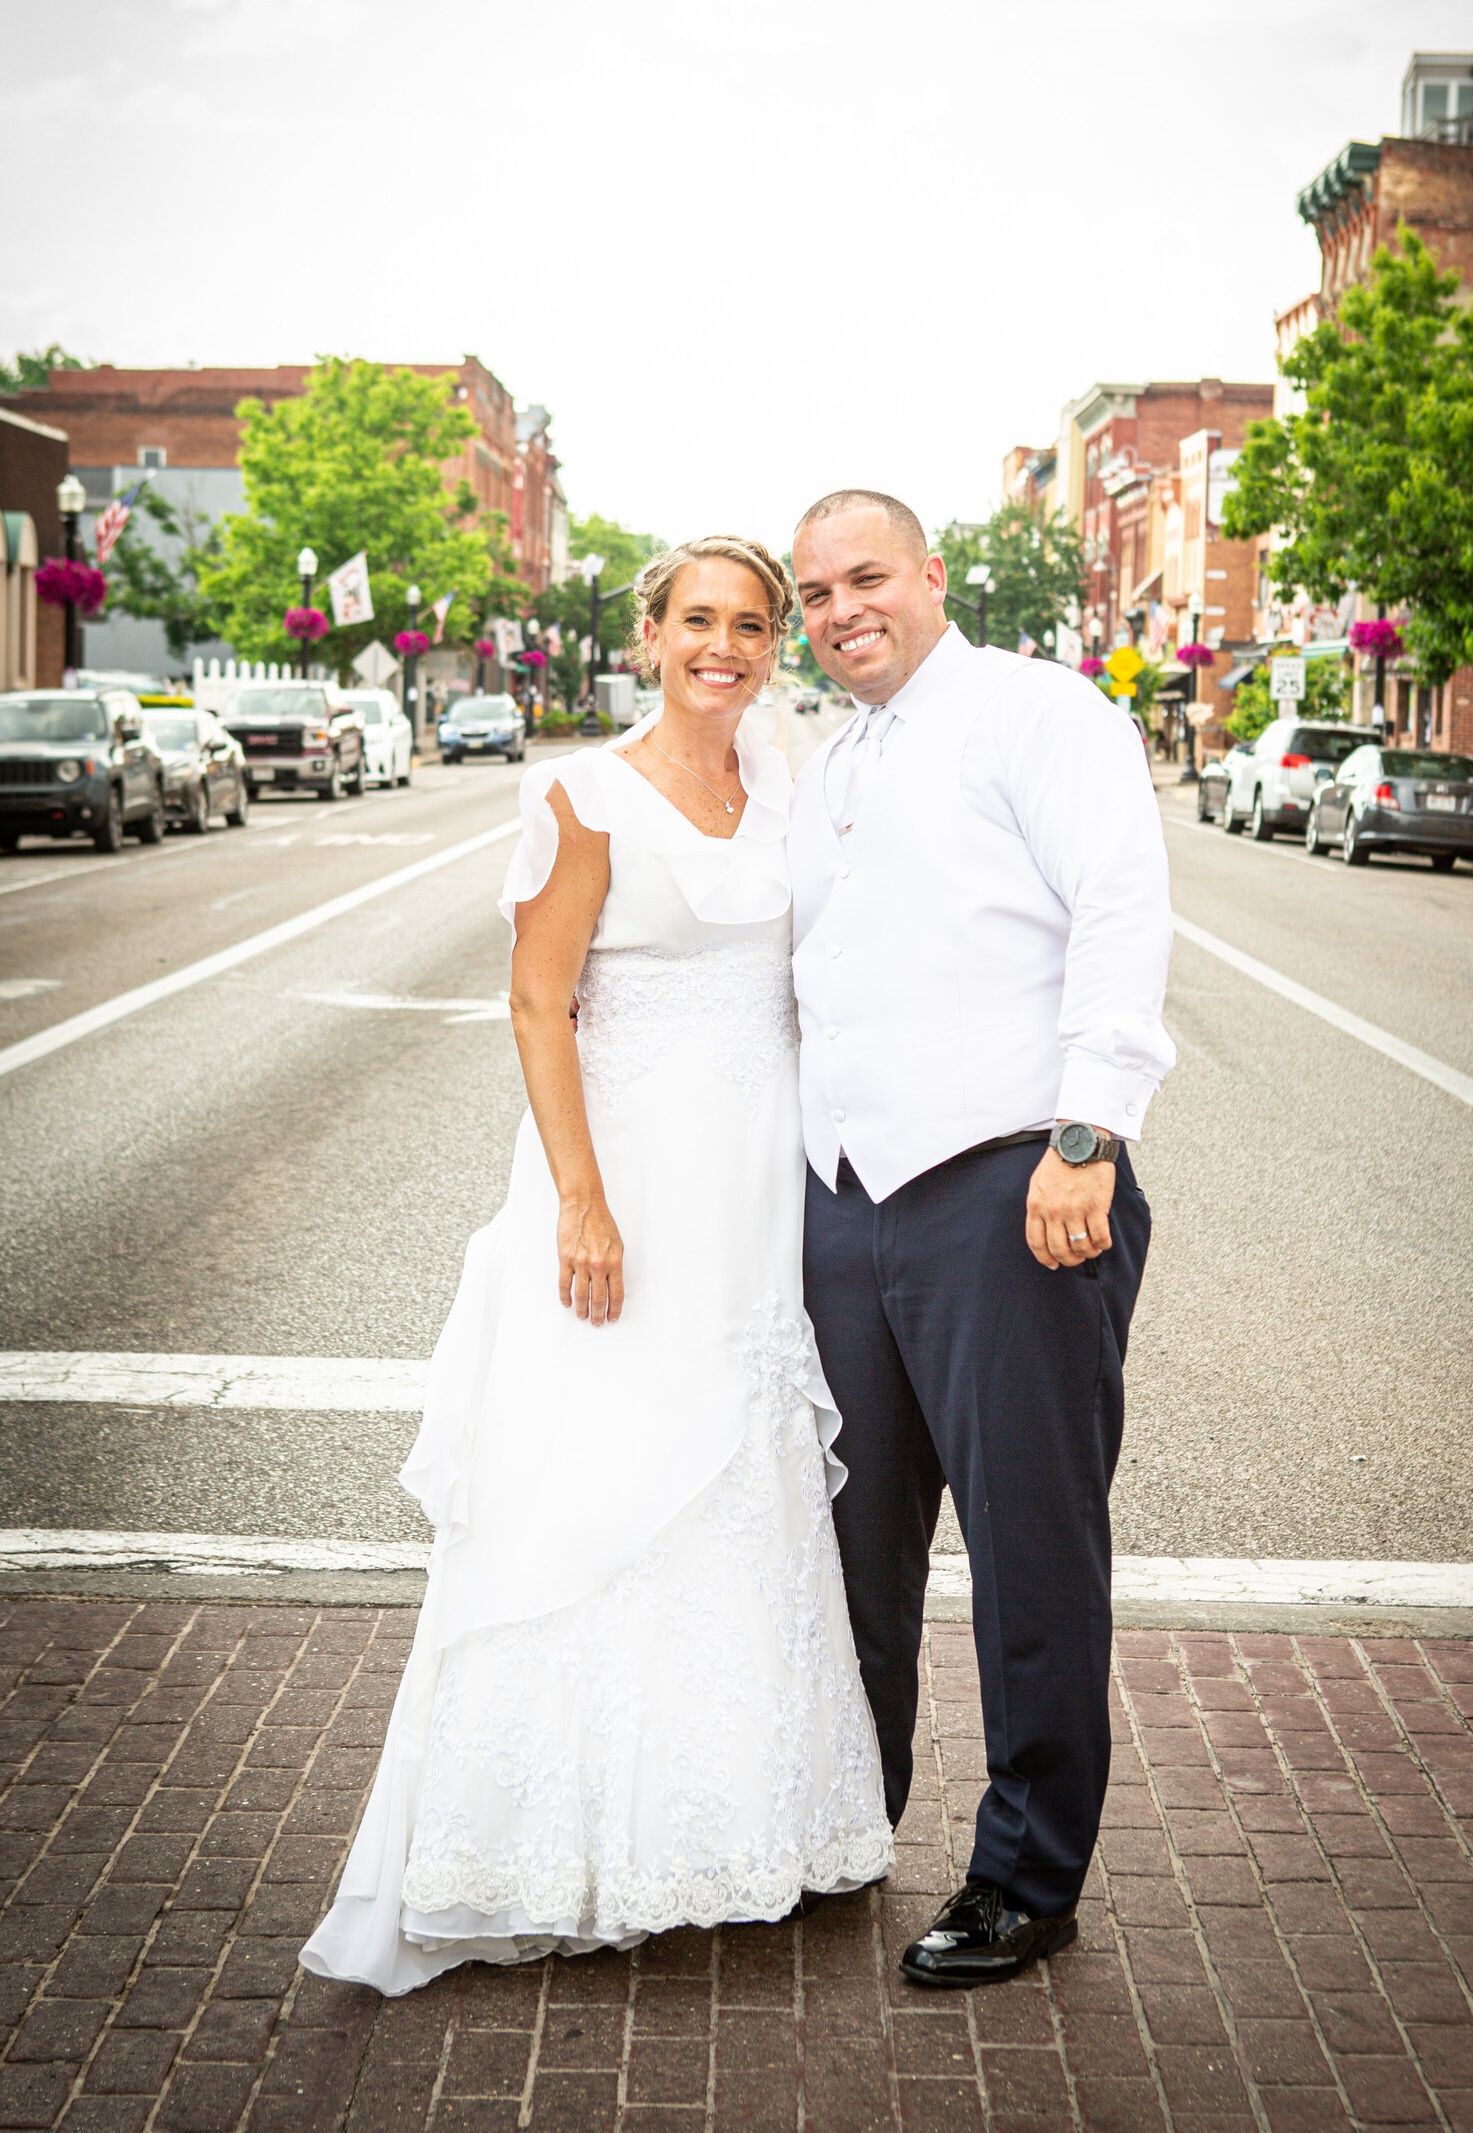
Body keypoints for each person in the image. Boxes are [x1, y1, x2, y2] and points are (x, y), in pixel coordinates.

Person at [302, 536, 893, 1995]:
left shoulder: (796, 790)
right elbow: (536, 998)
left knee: (737, 1473)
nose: (729, 646)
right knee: (602, 1476)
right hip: (628, 1175)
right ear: (651, 635)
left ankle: (736, 1829)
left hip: (760, 1189)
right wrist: (581, 1201)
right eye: (700, 620)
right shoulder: (582, 793)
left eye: (754, 624)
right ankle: (546, 1842)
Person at [788, 490, 1174, 1990]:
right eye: (815, 592)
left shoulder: (1041, 711)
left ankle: (1027, 1877)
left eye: (864, 578)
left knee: (1030, 1554)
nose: (837, 611)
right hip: (846, 1208)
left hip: (1015, 1192)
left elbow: (1121, 914)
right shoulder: (832, 762)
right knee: (848, 1550)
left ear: (931, 575)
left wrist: (1088, 1132)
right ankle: (841, 1825)